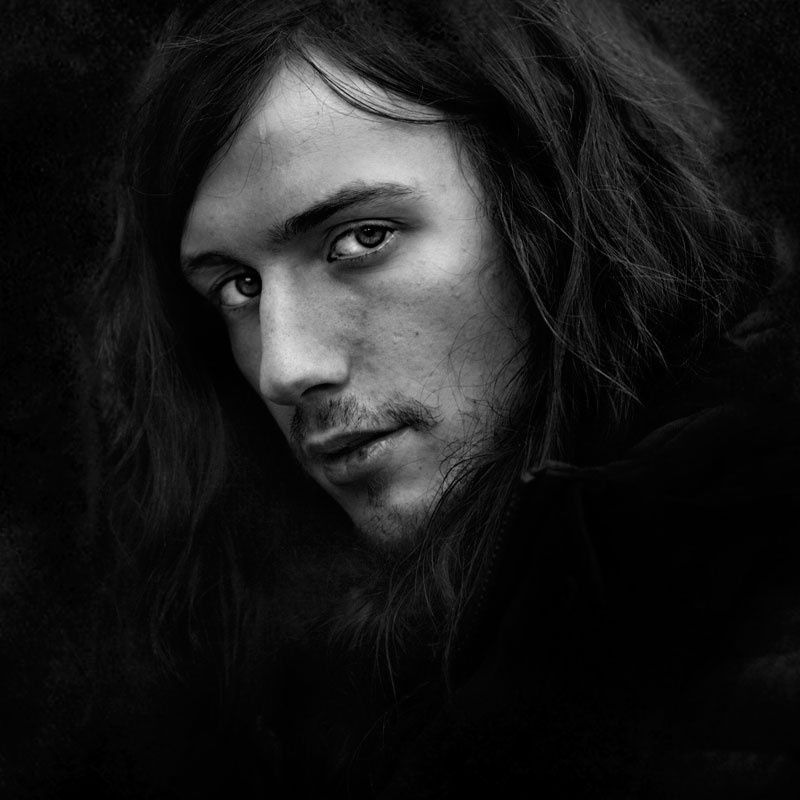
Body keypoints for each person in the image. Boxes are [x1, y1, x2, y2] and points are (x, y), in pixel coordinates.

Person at [93, 0, 800, 796]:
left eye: (360, 238)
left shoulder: (755, 632)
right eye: (237, 286)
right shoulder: (316, 676)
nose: (284, 369)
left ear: (555, 208)